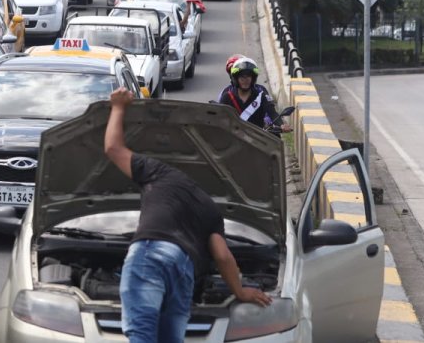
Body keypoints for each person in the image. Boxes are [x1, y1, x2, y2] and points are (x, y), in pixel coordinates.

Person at [104, 88, 272, 342]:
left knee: (142, 335)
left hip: (150, 255)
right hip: (183, 268)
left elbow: (113, 149)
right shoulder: (210, 208)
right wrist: (240, 291)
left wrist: (118, 107)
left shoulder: (159, 172)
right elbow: (223, 256)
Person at [216, 58, 291, 134]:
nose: (245, 80)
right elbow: (219, 118)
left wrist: (282, 125)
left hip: (256, 140)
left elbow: (272, 113)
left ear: (253, 79)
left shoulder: (261, 96)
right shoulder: (227, 97)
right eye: (242, 77)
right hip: (233, 139)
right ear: (236, 79)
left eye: (248, 77)